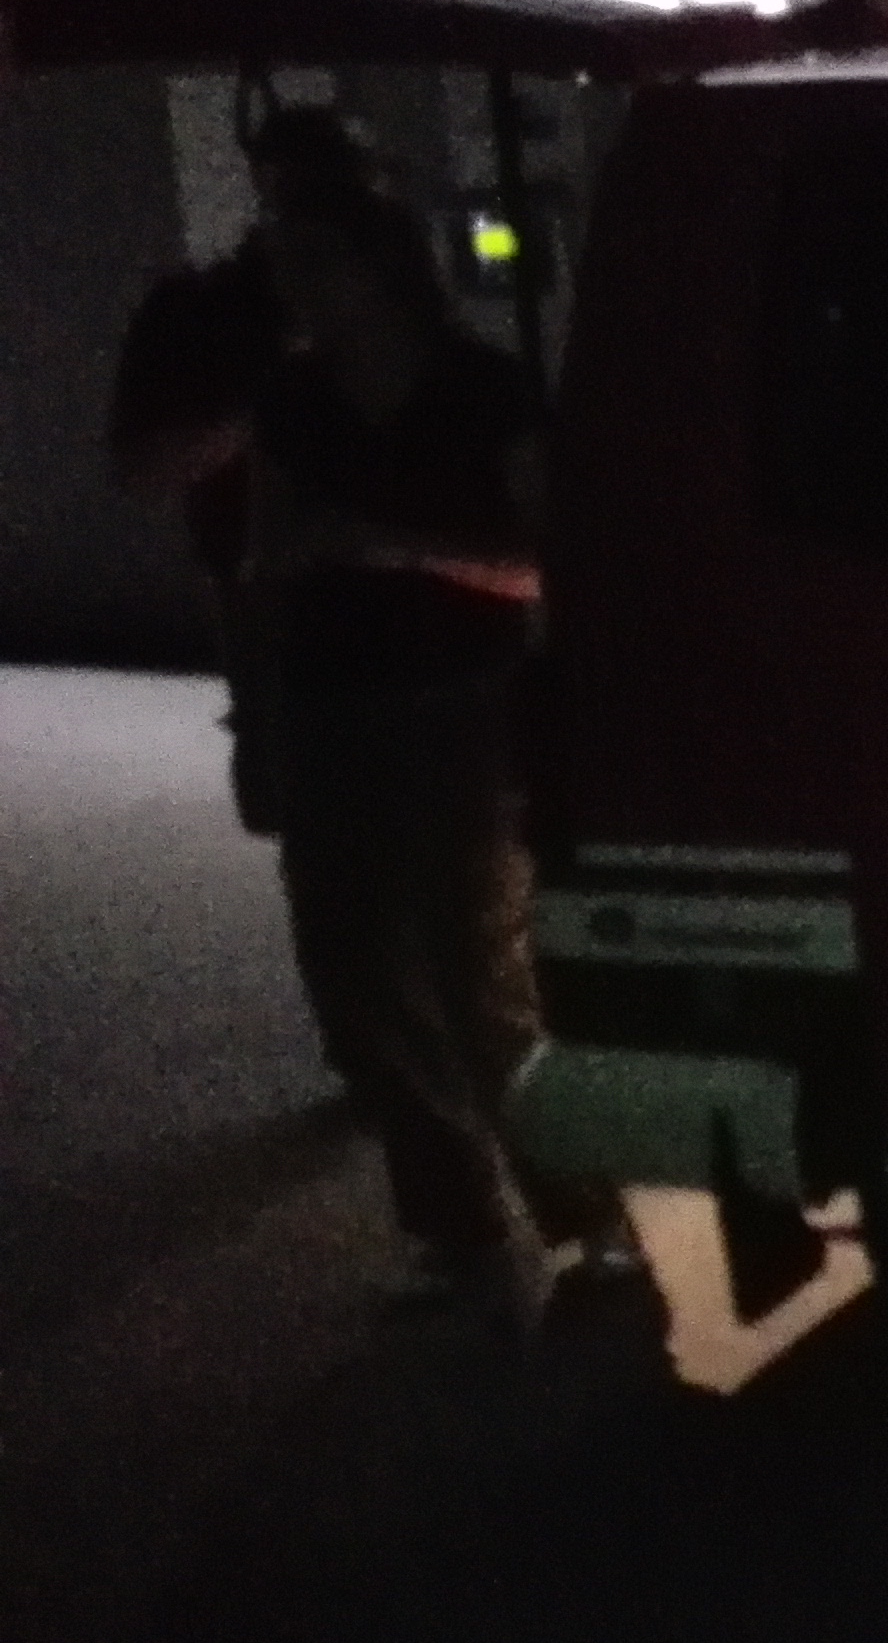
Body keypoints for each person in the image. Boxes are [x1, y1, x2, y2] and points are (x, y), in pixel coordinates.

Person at [159, 183, 589, 1326]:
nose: (296, 289)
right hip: (332, 701)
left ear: (381, 268)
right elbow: (261, 562)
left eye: (314, 261)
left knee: (478, 967)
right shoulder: (294, 399)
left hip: (465, 700)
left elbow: (543, 561)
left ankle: (581, 1212)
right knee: (356, 968)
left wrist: (391, 546)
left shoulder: (483, 387)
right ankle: (456, 1220)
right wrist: (257, 714)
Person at [105, 106, 388, 837]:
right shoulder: (203, 314)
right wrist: (262, 411)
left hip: (416, 609)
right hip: (285, 610)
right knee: (324, 826)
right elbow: (143, 468)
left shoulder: (400, 311)